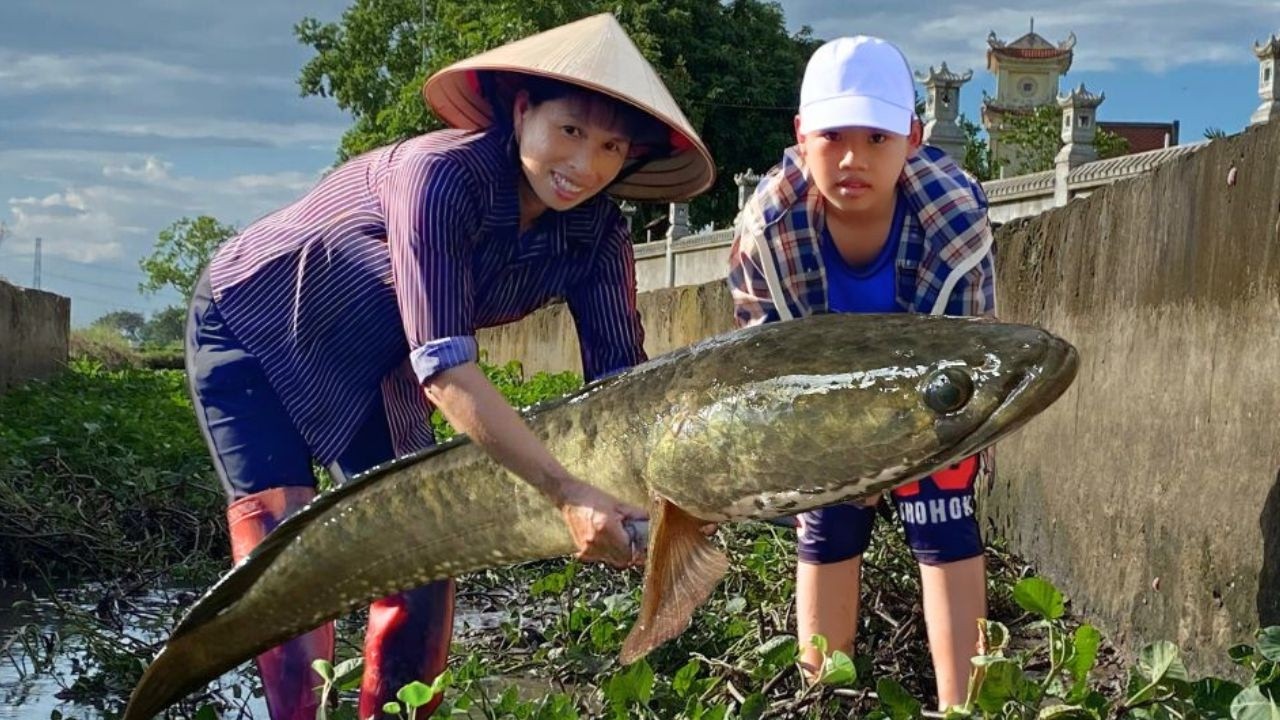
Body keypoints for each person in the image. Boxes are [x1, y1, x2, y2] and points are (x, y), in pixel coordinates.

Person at [184, 13, 715, 719]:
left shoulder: (598, 234)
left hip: (375, 358)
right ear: (522, 112)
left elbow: (620, 389)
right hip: (251, 321)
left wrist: (665, 502)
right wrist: (564, 490)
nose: (585, 165)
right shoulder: (437, 177)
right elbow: (443, 371)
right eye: (571, 131)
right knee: (287, 551)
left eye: (612, 145)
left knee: (420, 553)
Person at [727, 35, 996, 710]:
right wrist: (846, 467)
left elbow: (967, 365)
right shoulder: (767, 230)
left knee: (945, 512)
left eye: (876, 138)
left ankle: (963, 703)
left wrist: (912, 461)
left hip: (930, 397)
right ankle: (823, 696)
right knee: (827, 522)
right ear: (800, 136)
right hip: (823, 404)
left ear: (912, 135)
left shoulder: (956, 220)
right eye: (832, 136)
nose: (853, 159)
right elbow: (768, 371)